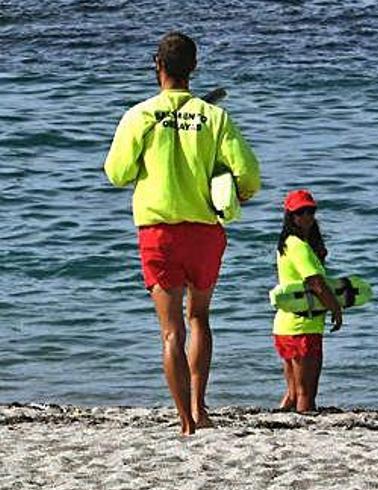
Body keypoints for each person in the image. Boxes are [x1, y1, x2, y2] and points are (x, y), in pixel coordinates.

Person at [103, 32, 260, 435]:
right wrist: (232, 190)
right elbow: (250, 177)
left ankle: (185, 420)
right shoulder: (215, 116)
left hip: (159, 232)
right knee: (200, 319)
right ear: (194, 68)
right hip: (205, 230)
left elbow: (117, 173)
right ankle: (200, 406)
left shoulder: (140, 115)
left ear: (157, 66)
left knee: (171, 330)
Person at [273, 189, 343, 413]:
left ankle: (279, 426)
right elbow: (316, 283)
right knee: (306, 394)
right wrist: (336, 308)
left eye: (311, 211)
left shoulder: (286, 243)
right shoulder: (299, 246)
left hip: (285, 326)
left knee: (293, 393)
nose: (307, 216)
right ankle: (305, 429)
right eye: (301, 212)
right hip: (304, 327)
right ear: (290, 215)